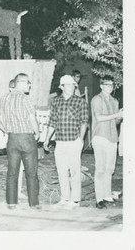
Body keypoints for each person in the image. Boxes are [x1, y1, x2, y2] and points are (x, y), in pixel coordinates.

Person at [44, 75, 89, 209]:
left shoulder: (80, 102)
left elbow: (84, 122)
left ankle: (75, 200)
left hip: (74, 140)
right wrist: (47, 138)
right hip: (60, 142)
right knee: (61, 170)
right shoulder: (56, 102)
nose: (72, 87)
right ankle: (65, 198)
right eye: (68, 85)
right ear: (62, 87)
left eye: (73, 85)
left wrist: (80, 139)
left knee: (74, 171)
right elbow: (52, 122)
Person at [0, 73, 41, 209]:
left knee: (12, 172)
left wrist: (9, 131)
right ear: (21, 82)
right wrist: (38, 132)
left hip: (12, 139)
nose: (30, 86)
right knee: (31, 172)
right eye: (28, 83)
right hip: (26, 138)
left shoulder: (4, 98)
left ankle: (11, 202)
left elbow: (1, 122)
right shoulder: (25, 99)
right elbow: (31, 118)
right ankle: (33, 204)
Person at [90, 76, 123, 209]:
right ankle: (99, 199)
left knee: (110, 168)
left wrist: (120, 116)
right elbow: (99, 117)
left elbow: (115, 122)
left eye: (111, 85)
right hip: (100, 136)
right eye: (107, 84)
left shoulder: (115, 101)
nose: (110, 87)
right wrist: (116, 115)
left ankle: (107, 195)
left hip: (112, 137)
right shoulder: (96, 99)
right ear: (101, 86)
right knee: (100, 168)